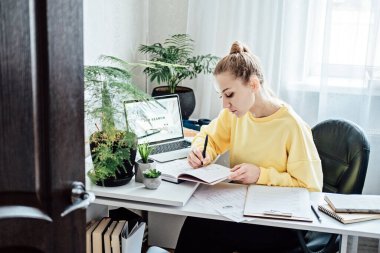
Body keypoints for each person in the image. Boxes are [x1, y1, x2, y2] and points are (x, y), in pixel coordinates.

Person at [175, 41, 323, 253]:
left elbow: (310, 187)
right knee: (196, 222)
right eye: (222, 96)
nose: (225, 105)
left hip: (279, 222)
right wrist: (203, 151)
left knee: (203, 229)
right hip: (242, 210)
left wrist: (260, 175)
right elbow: (210, 136)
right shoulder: (234, 114)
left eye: (229, 94)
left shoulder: (292, 126)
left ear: (253, 85)